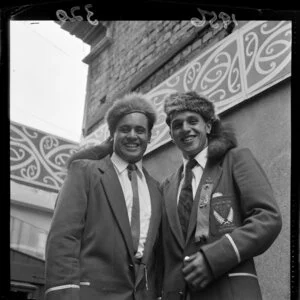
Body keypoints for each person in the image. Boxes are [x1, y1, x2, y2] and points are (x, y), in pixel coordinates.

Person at [160, 91, 282, 300]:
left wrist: (213, 259)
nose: (185, 129)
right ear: (171, 135)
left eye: (192, 121)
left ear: (208, 126)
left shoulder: (234, 160)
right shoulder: (166, 187)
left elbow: (267, 218)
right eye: (177, 124)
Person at [45, 93, 162, 300]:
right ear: (112, 134)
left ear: (150, 136)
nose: (133, 136)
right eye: (125, 129)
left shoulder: (156, 188)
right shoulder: (84, 172)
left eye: (140, 130)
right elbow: (63, 238)